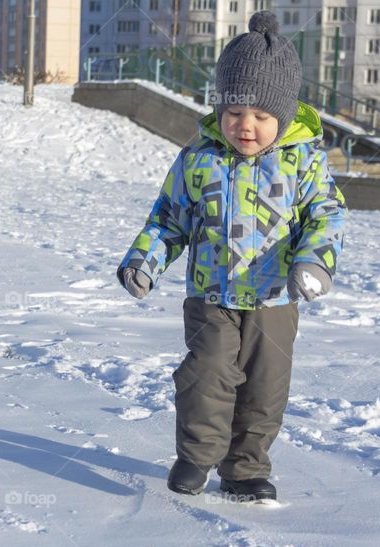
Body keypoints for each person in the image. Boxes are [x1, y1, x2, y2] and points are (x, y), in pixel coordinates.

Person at [117, 11, 347, 501]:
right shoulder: (199, 158)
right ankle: (197, 458)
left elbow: (326, 215)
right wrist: (146, 260)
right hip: (210, 292)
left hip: (274, 297)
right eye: (235, 112)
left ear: (283, 117)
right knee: (209, 371)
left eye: (262, 117)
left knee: (266, 387)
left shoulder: (304, 161)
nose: (246, 126)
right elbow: (168, 219)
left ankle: (244, 469)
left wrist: (315, 262)